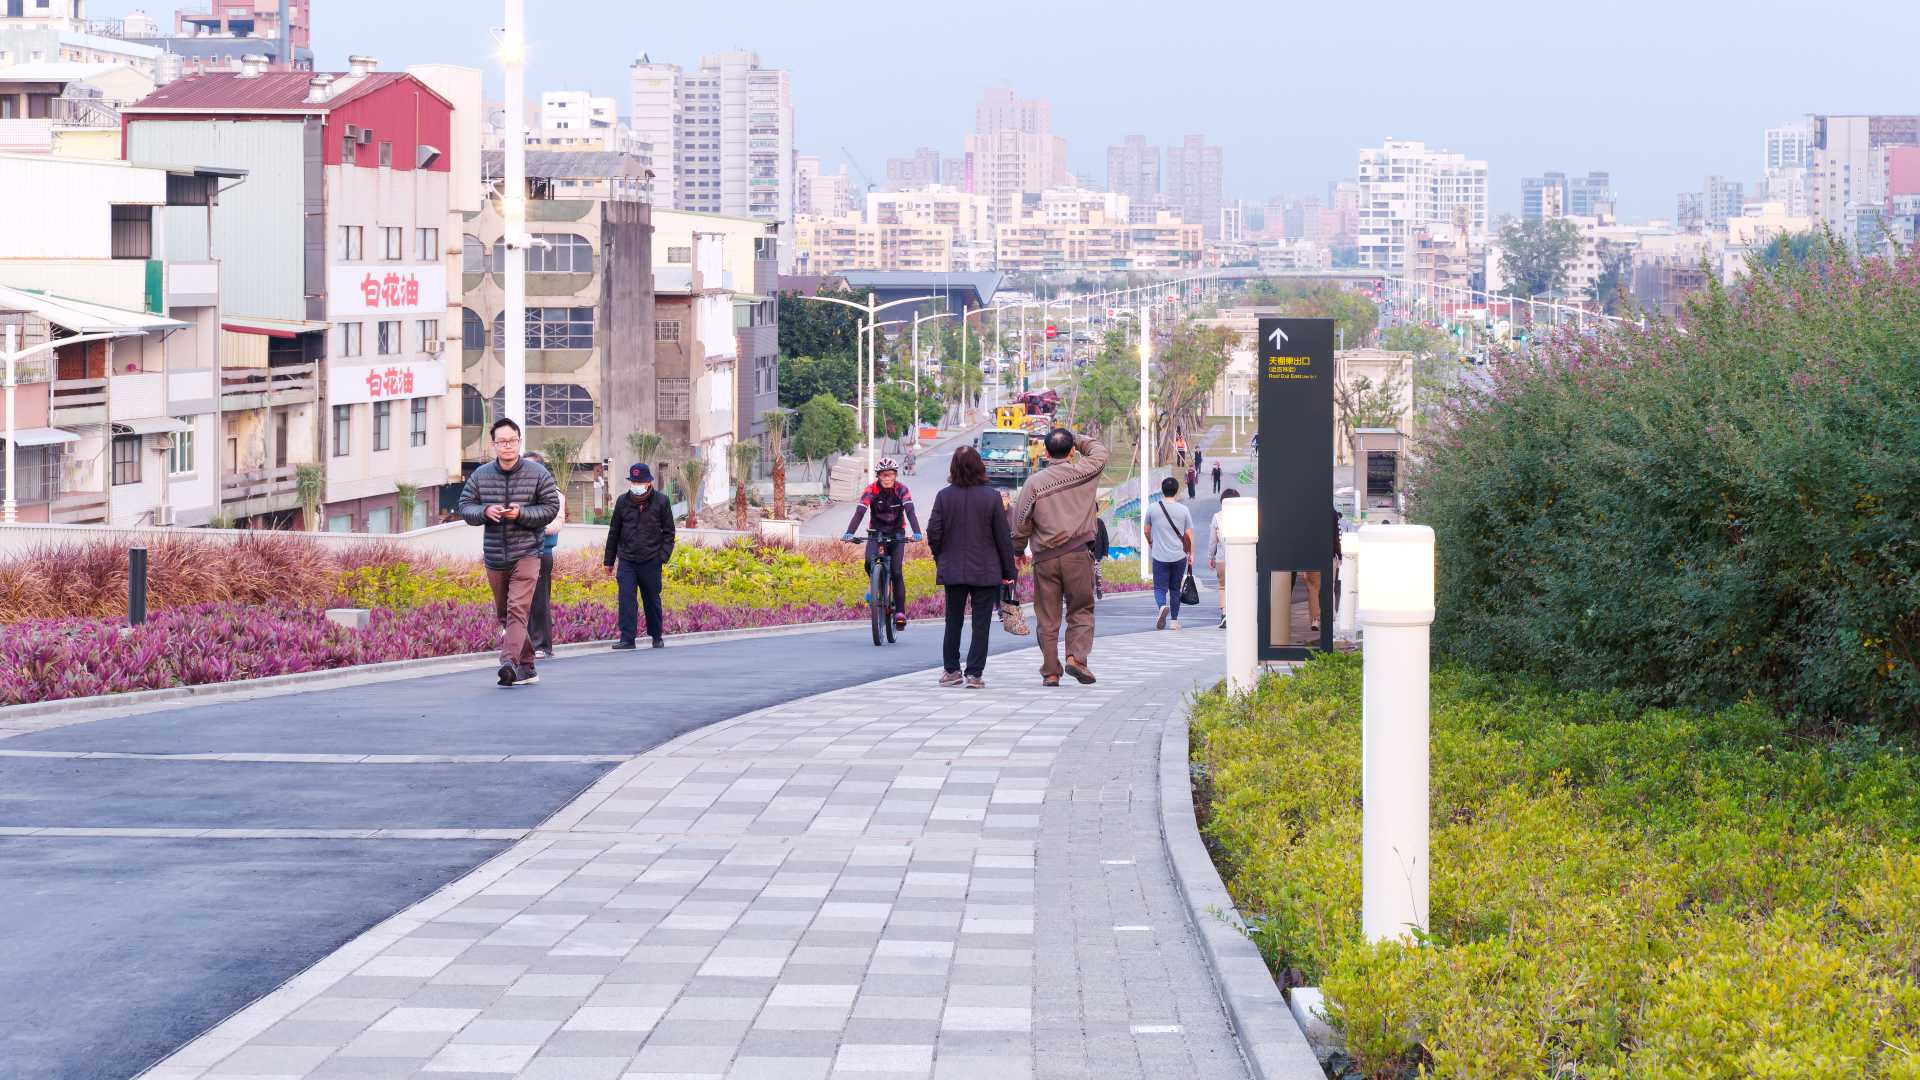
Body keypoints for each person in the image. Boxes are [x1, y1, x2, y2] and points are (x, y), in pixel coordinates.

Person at [457, 418, 561, 686]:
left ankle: (508, 663)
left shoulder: (538, 473)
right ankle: (527, 667)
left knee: (517, 610)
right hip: (494, 555)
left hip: (528, 552)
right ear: (494, 445)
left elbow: (551, 508)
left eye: (512, 441)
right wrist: (484, 511)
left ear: (519, 442)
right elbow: (465, 506)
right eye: (502, 442)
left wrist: (521, 513)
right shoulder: (480, 475)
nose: (507, 446)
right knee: (505, 613)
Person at [1011, 428, 1108, 686]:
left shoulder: (1034, 483)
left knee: (1048, 616)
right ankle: (1076, 657)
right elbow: (1100, 450)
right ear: (1072, 451)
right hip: (1078, 554)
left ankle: (1051, 671)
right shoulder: (1085, 471)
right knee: (1081, 610)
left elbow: (1020, 522)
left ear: (1045, 452)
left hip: (1046, 558)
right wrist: (1075, 437)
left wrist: (1018, 550)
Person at [926, 445, 1017, 690]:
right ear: (980, 466)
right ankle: (974, 674)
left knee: (952, 620)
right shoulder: (991, 497)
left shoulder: (944, 496)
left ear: (953, 467)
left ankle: (952, 670)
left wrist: (941, 556)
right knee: (981, 623)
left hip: (953, 569)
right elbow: (1002, 537)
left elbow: (933, 532)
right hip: (986, 570)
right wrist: (1009, 571)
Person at [842, 457, 923, 632]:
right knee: (868, 563)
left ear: (895, 475)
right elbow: (860, 511)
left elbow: (910, 511)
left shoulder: (902, 490)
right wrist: (849, 532)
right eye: (883, 475)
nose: (887, 478)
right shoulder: (871, 489)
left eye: (890, 475)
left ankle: (900, 612)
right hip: (876, 532)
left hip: (896, 533)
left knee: (896, 571)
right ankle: (874, 585)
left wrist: (917, 532)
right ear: (878, 476)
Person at [603, 463, 676, 649]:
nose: (637, 484)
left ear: (649, 482)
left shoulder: (661, 501)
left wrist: (662, 556)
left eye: (640, 481)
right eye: (634, 481)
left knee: (651, 598)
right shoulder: (622, 501)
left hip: (651, 559)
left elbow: (669, 533)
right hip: (627, 558)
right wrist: (609, 561)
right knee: (626, 597)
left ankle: (656, 636)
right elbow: (614, 532)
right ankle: (627, 639)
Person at [522, 451, 566, 660]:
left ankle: (542, 645)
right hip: (519, 551)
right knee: (519, 600)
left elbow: (557, 523)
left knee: (539, 599)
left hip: (541, 551)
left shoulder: (554, 493)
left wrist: (533, 525)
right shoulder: (517, 491)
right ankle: (524, 642)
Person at [1143, 476, 1193, 631]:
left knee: (1159, 588)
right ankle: (1174, 621)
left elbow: (1146, 530)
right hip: (1178, 556)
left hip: (1159, 555)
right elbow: (1188, 535)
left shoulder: (1152, 508)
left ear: (1162, 490)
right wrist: (1190, 553)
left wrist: (1150, 542)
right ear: (1176, 491)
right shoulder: (1184, 510)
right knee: (1175, 589)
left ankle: (1162, 606)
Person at [1207, 487, 1241, 630]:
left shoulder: (1217, 517)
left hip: (1222, 558)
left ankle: (1225, 614)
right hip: (1241, 557)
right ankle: (1239, 614)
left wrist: (1211, 556)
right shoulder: (1245, 515)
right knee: (1239, 586)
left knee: (1222, 587)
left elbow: (1213, 541)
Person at [1088, 506, 1110, 601]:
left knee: (1097, 572)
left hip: (1097, 553)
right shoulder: (1085, 523)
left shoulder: (1100, 522)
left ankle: (1099, 589)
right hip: (1086, 553)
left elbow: (1105, 538)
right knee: (1088, 573)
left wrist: (1105, 553)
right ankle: (1089, 591)